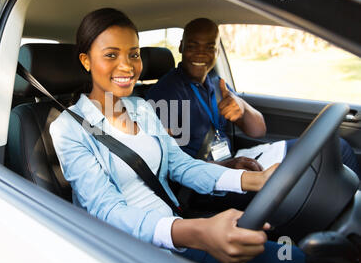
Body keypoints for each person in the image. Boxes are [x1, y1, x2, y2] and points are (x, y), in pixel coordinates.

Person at [50, 8, 307, 263]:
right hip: (130, 253)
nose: (127, 65)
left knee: (294, 260)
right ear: (86, 61)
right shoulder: (69, 128)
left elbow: (181, 165)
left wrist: (255, 179)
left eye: (134, 54)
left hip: (176, 229)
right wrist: (198, 232)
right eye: (111, 55)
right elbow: (108, 213)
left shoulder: (141, 108)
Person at [145, 18, 361, 178]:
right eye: (193, 46)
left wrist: (242, 107)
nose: (201, 54)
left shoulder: (216, 84)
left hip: (235, 161)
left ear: (217, 52)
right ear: (181, 46)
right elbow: (170, 166)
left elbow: (258, 131)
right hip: (208, 178)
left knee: (334, 147)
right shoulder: (165, 93)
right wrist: (226, 168)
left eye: (209, 47)